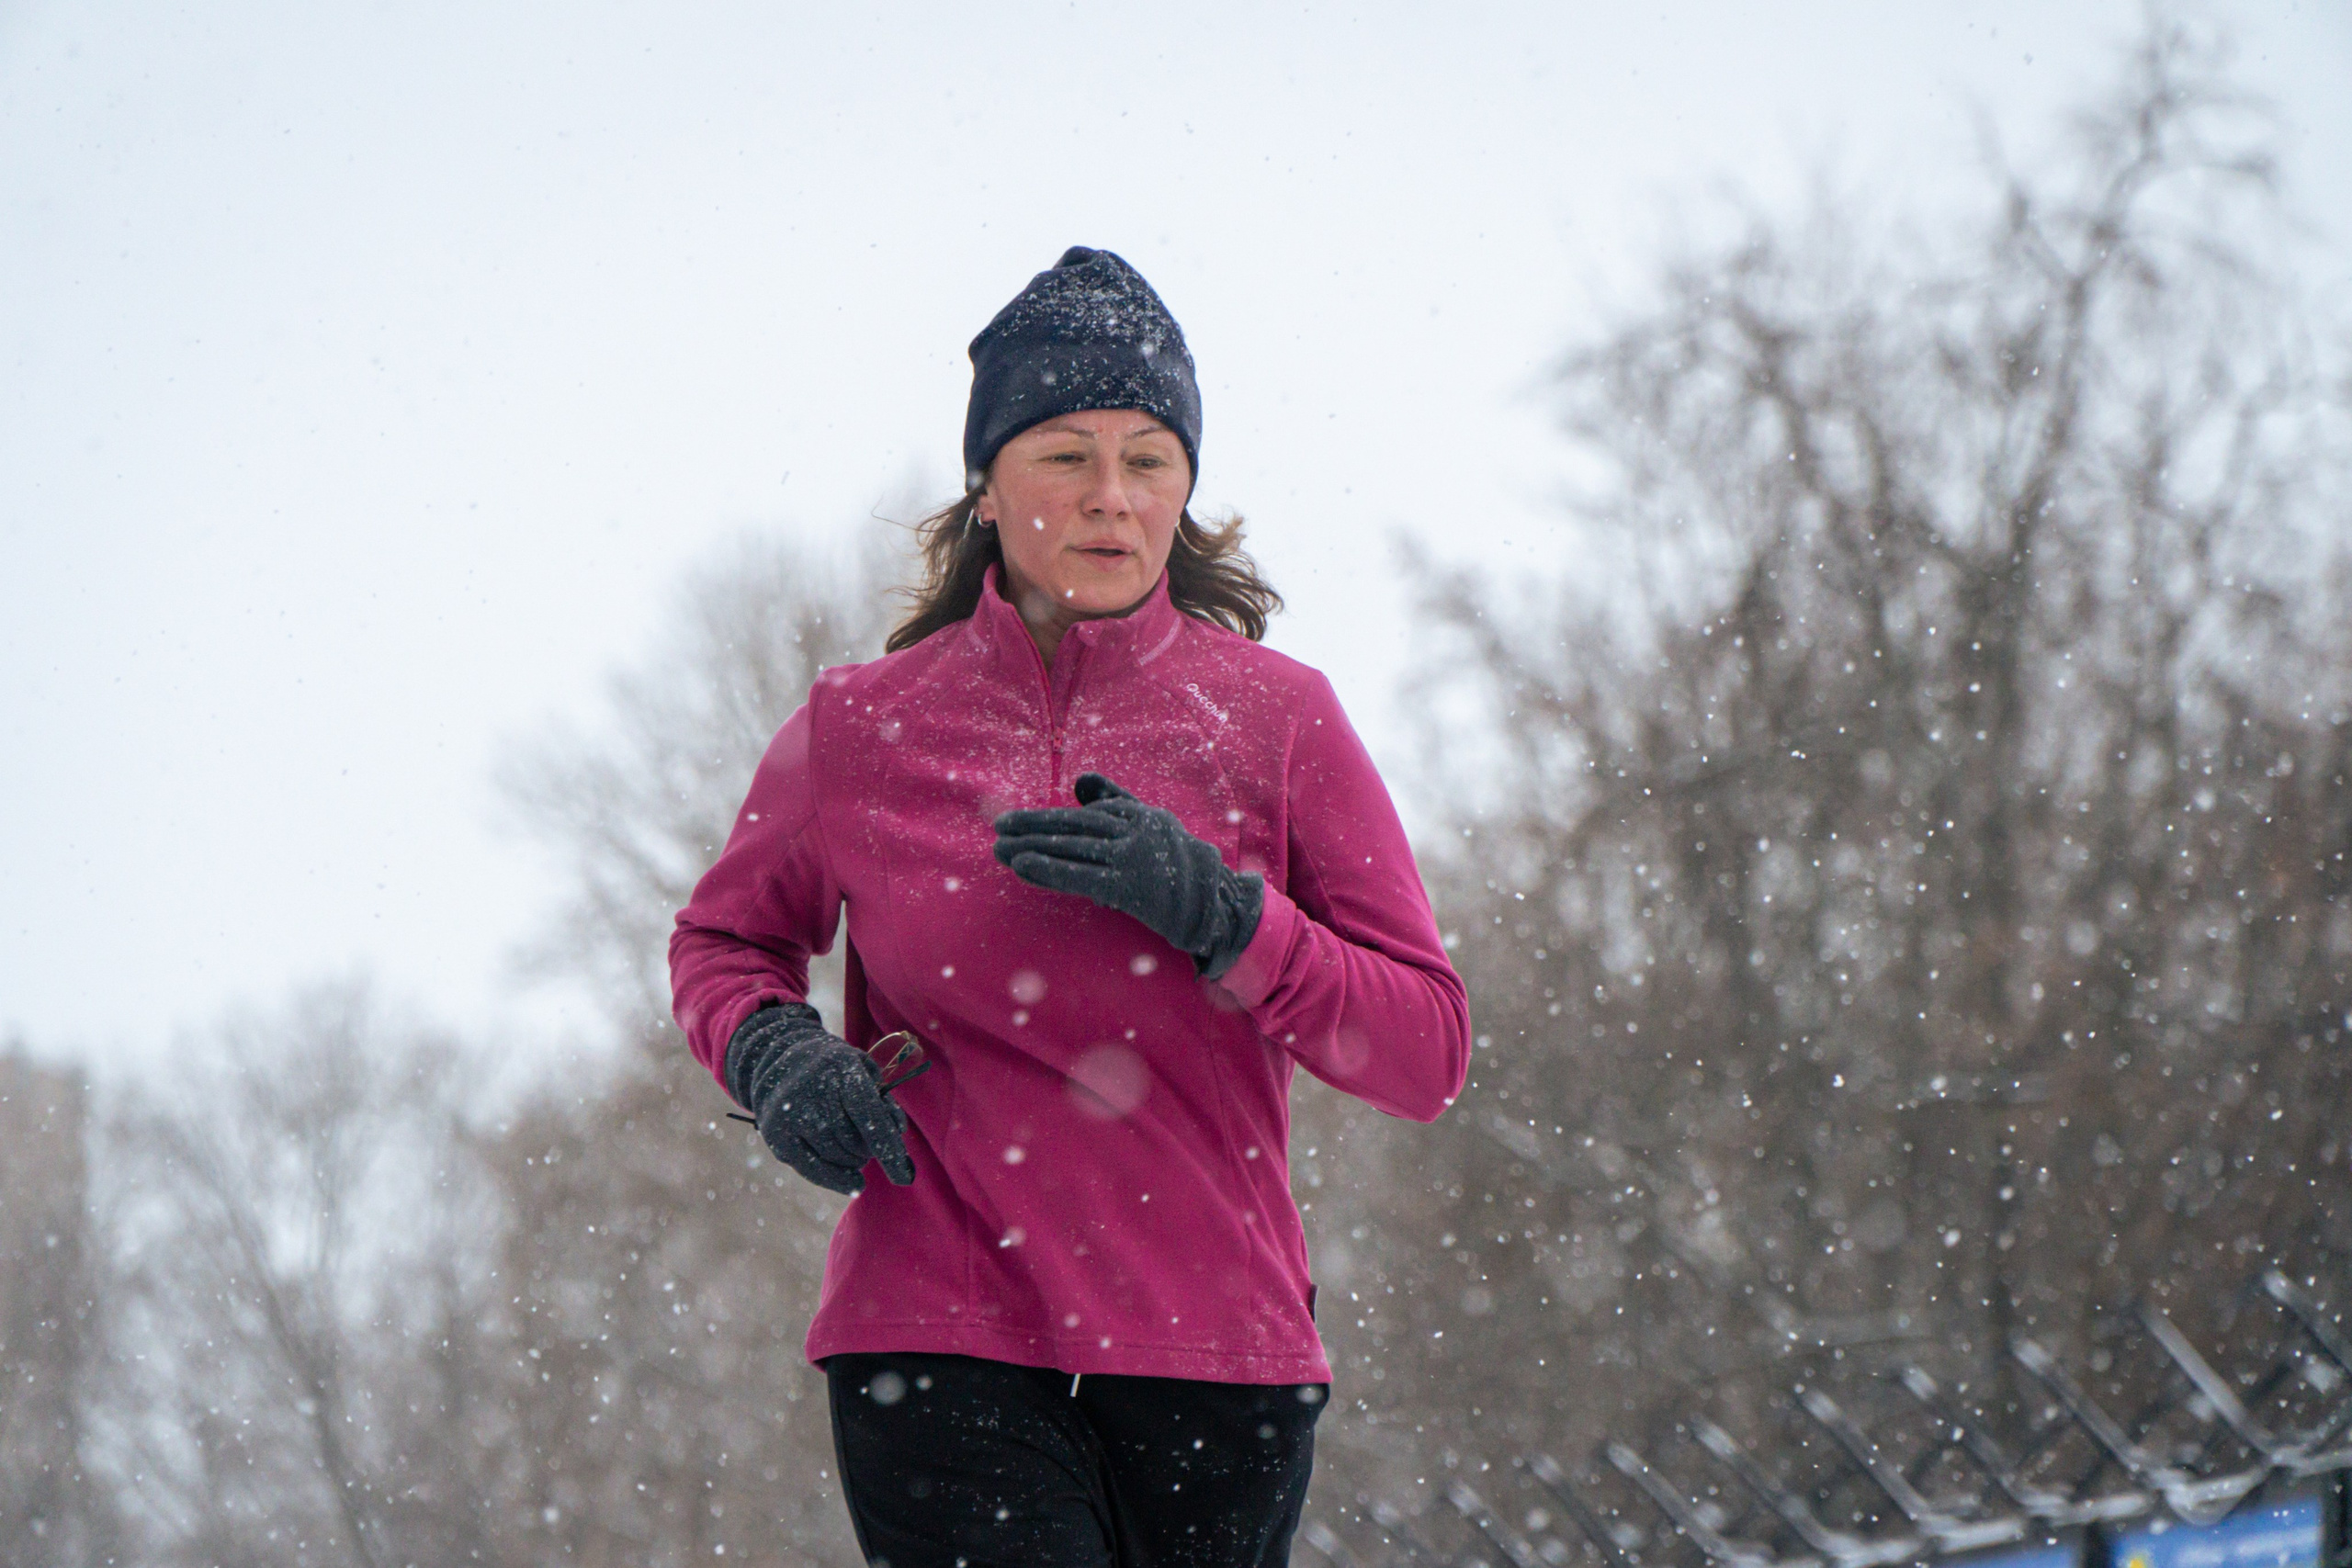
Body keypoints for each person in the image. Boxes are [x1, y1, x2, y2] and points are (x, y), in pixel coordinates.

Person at [670, 246, 1470, 1567]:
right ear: (987, 488)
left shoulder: (1278, 721)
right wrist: (771, 1052)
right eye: (1064, 454)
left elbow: (1425, 1050)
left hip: (1217, 1353)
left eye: (1149, 458)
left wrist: (1229, 919)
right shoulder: (861, 727)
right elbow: (725, 940)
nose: (1111, 495)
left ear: (1185, 491)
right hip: (940, 1334)